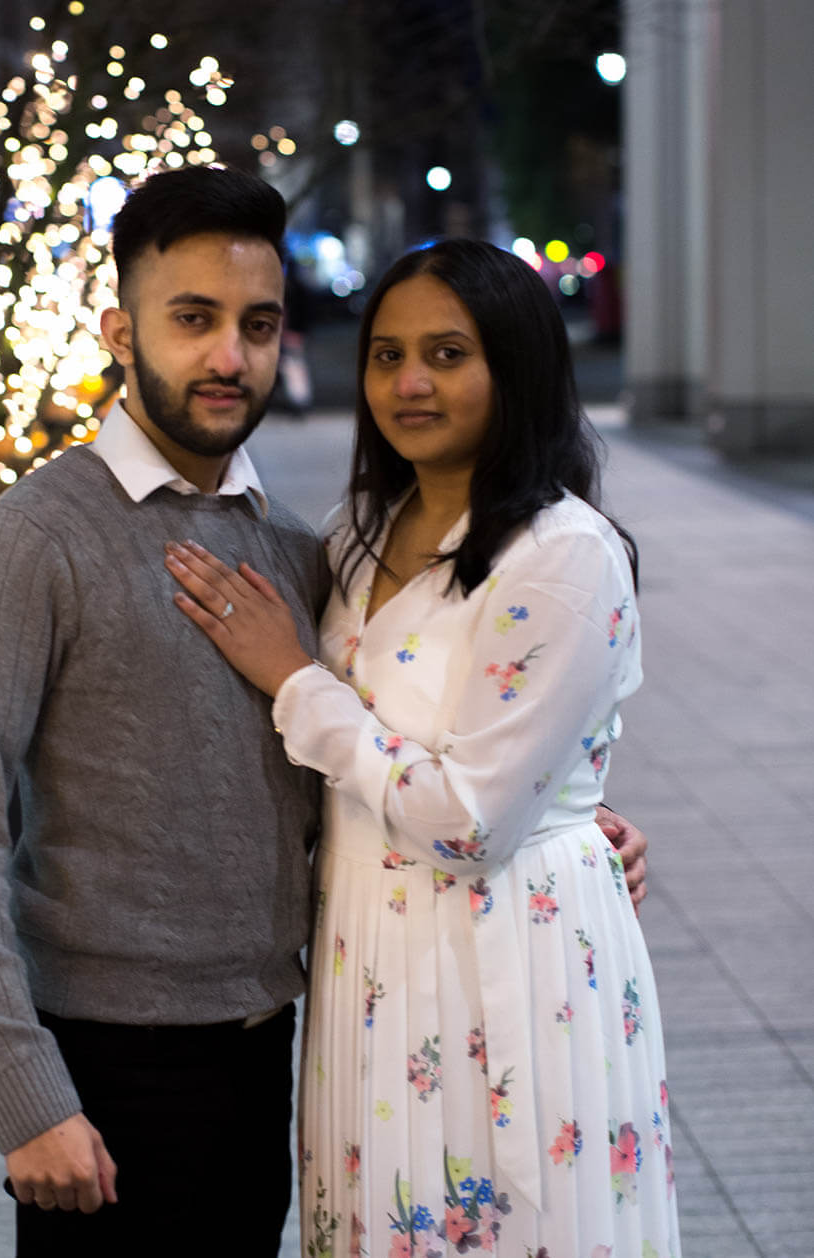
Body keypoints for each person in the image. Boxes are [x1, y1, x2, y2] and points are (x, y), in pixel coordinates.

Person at [0, 168, 651, 1258]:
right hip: (108, 1061)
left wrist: (575, 824)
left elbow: (377, 746)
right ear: (119, 329)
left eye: (254, 325)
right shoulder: (35, 538)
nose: (226, 357)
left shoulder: (304, 547)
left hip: (286, 1040)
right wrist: (23, 1094)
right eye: (191, 319)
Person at [165, 239, 678, 1257]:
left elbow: (471, 820)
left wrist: (293, 676)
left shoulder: (561, 556)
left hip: (502, 951)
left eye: (447, 354)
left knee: (502, 1216)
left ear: (514, 368)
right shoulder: (360, 528)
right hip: (369, 947)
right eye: (386, 354)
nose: (408, 383)